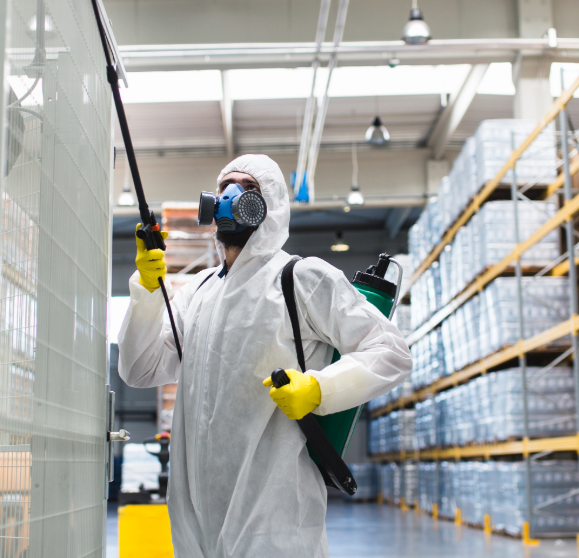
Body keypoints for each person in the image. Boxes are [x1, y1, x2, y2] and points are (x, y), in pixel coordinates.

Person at [117, 154, 411, 558]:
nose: (230, 195)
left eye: (247, 188)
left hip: (274, 527)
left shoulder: (301, 278)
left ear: (269, 206)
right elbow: (139, 368)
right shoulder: (198, 293)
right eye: (224, 188)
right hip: (194, 530)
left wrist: (319, 389)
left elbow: (391, 351)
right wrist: (148, 292)